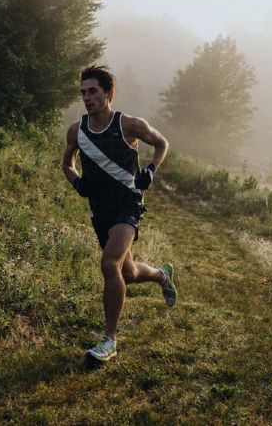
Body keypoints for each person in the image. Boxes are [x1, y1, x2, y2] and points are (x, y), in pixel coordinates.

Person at [62, 65, 176, 362]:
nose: (86, 98)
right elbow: (67, 164)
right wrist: (78, 183)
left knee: (109, 263)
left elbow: (162, 143)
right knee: (128, 271)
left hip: (128, 204)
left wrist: (150, 169)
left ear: (109, 94)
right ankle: (162, 275)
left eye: (93, 91)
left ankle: (109, 339)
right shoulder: (77, 130)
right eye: (83, 92)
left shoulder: (131, 125)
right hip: (99, 209)